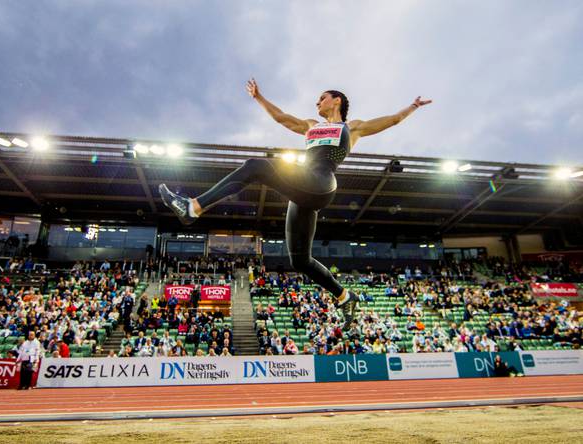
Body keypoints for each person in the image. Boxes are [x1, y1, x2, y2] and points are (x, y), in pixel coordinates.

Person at [159, 79, 432, 329]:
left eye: (322, 98)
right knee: (300, 260)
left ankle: (193, 206)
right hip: (304, 190)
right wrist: (259, 97)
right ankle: (345, 295)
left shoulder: (352, 127)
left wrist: (413, 106)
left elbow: (393, 120)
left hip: (322, 182)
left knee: (255, 166)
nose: (317, 102)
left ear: (337, 100)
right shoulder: (311, 125)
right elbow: (281, 119)